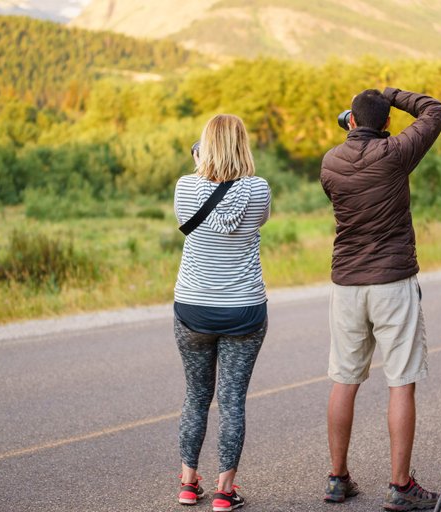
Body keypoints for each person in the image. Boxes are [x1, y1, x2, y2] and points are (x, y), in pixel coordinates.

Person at [320, 87, 441, 511]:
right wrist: (391, 92)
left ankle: (337, 478)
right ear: (388, 123)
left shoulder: (330, 163)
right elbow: (435, 110)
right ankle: (400, 486)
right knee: (401, 381)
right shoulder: (396, 153)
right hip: (393, 280)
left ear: (351, 122)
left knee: (345, 379)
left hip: (347, 283)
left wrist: (367, 107)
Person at [173, 114, 271, 511]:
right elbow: (255, 222)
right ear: (243, 145)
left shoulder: (184, 187)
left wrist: (201, 163)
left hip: (193, 309)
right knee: (232, 401)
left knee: (196, 397)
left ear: (204, 146)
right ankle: (225, 493)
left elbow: (189, 219)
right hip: (244, 311)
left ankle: (187, 483)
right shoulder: (260, 189)